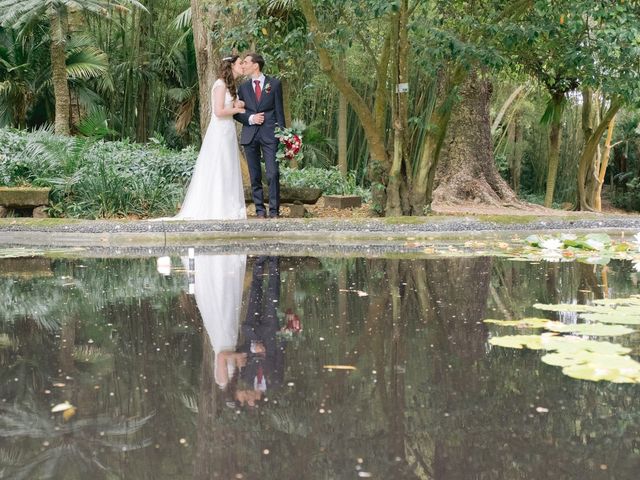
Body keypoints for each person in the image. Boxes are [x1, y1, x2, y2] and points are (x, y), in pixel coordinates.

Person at [172, 56, 247, 220]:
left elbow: (229, 105)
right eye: (240, 63)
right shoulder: (220, 85)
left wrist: (237, 104)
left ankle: (228, 204)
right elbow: (219, 112)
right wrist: (237, 110)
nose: (243, 66)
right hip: (219, 131)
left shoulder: (230, 86)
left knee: (228, 166)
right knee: (220, 165)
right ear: (232, 66)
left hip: (228, 132)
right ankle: (217, 206)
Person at [234, 53, 286, 219]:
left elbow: (279, 111)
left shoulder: (274, 84)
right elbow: (237, 113)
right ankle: (260, 210)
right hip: (250, 135)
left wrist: (283, 135)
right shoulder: (243, 87)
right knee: (255, 175)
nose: (244, 65)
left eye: (246, 62)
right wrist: (250, 118)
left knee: (272, 173)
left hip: (270, 134)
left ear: (256, 65)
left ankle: (274, 210)